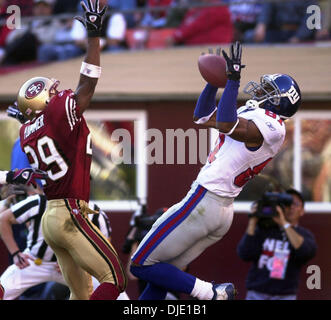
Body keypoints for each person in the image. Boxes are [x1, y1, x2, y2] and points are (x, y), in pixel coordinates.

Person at [130, 41, 302, 300]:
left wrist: (232, 81)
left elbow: (225, 124)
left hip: (205, 200)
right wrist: (214, 82)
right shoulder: (256, 114)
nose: (262, 90)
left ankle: (212, 293)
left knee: (140, 263)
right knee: (161, 276)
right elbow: (202, 116)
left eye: (270, 89)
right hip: (218, 209)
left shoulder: (274, 126)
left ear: (281, 101)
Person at [16, 0, 127, 300]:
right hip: (70, 212)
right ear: (45, 101)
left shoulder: (26, 130)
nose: (57, 88)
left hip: (50, 218)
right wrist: (94, 34)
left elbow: (41, 131)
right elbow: (87, 85)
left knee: (81, 294)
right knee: (115, 278)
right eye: (52, 89)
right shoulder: (56, 110)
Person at [237, 189, 317, 300]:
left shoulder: (304, 234)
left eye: (296, 204)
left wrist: (284, 223)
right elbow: (244, 254)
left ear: (302, 211)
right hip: (257, 293)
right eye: (288, 203)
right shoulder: (265, 229)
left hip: (285, 295)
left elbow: (305, 251)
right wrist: (252, 221)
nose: (291, 207)